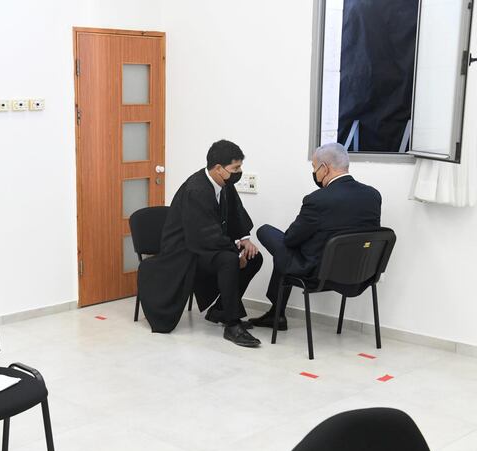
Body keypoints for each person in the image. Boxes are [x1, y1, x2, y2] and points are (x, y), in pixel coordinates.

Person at [138, 140, 263, 347]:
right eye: (236, 168)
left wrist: (245, 240)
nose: (239, 172)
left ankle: (221, 310)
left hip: (204, 244)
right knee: (229, 260)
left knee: (253, 258)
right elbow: (204, 234)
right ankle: (232, 325)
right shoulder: (196, 190)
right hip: (184, 250)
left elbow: (234, 214)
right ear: (218, 168)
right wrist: (234, 252)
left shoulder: (224, 183)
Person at [252, 143, 382, 330]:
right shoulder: (372, 196)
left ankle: (276, 314)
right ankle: (275, 314)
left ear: (324, 168)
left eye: (314, 168)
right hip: (360, 272)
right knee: (286, 252)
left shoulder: (317, 200)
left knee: (267, 232)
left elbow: (291, 239)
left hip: (317, 273)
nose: (314, 172)